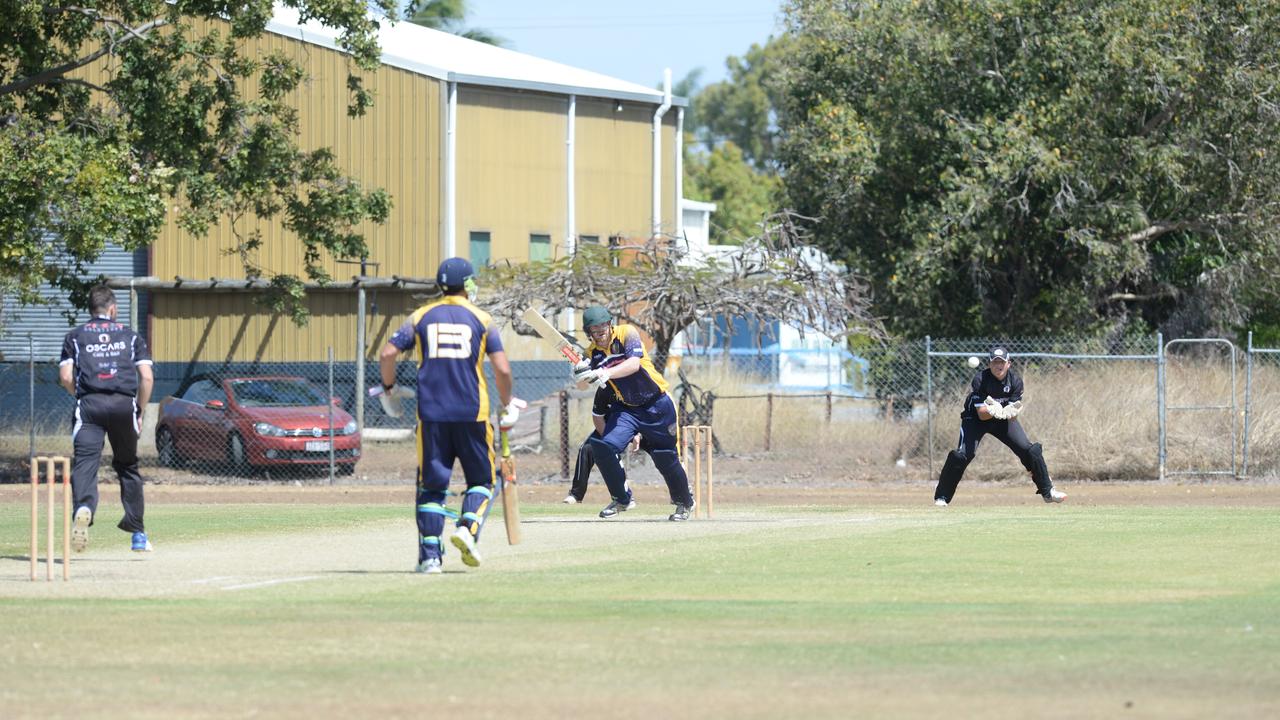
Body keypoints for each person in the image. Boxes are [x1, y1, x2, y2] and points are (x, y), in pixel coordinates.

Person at [379, 257, 520, 574]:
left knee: (431, 487)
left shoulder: (420, 315)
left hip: (431, 415)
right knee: (483, 481)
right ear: (468, 283)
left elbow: (388, 352)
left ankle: (430, 558)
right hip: (473, 413)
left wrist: (389, 388)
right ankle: (467, 529)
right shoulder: (482, 319)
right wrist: (507, 402)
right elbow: (502, 369)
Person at [571, 305, 695, 521]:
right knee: (603, 447)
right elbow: (582, 386)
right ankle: (622, 498)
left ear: (610, 324)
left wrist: (605, 372)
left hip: (657, 405)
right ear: (588, 331)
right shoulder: (591, 354)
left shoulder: (627, 332)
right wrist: (580, 373)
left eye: (603, 325)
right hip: (626, 409)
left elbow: (634, 364)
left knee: (665, 458)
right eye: (594, 327)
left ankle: (684, 503)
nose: (600, 330)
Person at [58, 285, 155, 553]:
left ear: (91, 309)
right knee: (127, 467)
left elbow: (66, 377)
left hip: (89, 406)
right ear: (112, 309)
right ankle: (137, 534)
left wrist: (79, 394)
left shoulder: (75, 336)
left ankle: (84, 506)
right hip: (124, 405)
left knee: (86, 464)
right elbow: (146, 378)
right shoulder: (131, 336)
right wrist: (140, 409)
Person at [934, 346, 1067, 506]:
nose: (999, 365)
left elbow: (1012, 415)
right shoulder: (980, 379)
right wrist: (994, 409)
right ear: (990, 364)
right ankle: (942, 497)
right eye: (995, 362)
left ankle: (1048, 491)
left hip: (1002, 420)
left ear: (1009, 363)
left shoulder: (1016, 382)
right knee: (962, 455)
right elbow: (982, 414)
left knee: (1030, 450)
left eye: (1002, 362)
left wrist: (1010, 412)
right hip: (975, 419)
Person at [563, 387, 641, 504]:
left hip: (638, 427)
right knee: (586, 449)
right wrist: (609, 441)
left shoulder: (633, 385)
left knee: (661, 451)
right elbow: (598, 417)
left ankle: (677, 495)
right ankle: (576, 494)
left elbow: (645, 414)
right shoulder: (604, 388)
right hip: (610, 427)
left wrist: (638, 434)